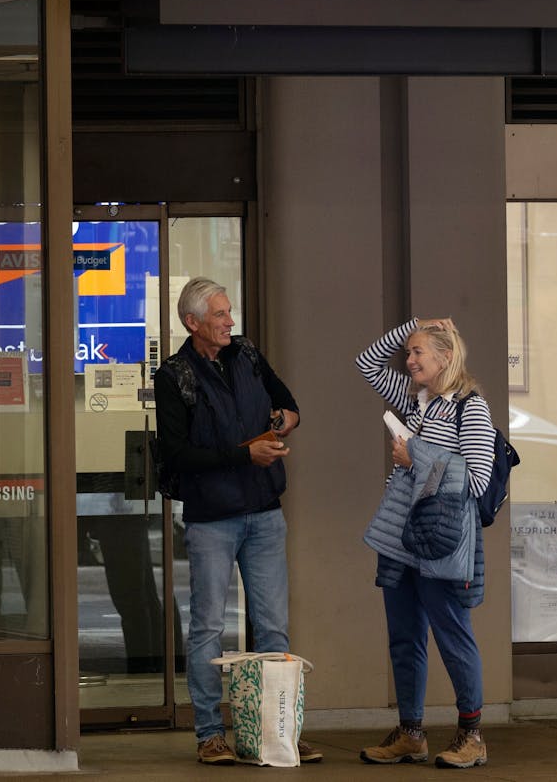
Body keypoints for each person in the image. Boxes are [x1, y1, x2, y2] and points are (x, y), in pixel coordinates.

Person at [154, 276, 321, 766]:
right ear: (193, 322)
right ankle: (210, 734)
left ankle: (277, 734)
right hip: (211, 519)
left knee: (274, 629)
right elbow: (178, 454)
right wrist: (245, 454)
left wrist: (284, 421)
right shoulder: (174, 375)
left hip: (265, 511)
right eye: (220, 315)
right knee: (207, 627)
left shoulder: (246, 354)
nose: (230, 321)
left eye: (229, 312)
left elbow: (287, 402)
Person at [354, 317, 491, 770]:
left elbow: (476, 479)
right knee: (404, 636)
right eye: (409, 352)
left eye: (418, 352)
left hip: (443, 540)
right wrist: (415, 324)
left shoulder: (469, 407)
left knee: (453, 635)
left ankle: (471, 735)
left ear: (446, 358)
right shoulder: (416, 399)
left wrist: (416, 456)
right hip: (401, 536)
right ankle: (411, 734)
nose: (408, 360)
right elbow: (367, 363)